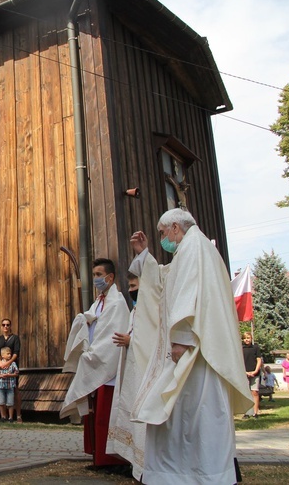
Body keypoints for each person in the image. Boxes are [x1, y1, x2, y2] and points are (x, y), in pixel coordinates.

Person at [129, 208, 253, 485]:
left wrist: (181, 338)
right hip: (197, 349)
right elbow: (165, 279)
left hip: (194, 352)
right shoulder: (194, 248)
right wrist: (145, 256)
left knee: (190, 415)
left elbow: (187, 293)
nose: (163, 239)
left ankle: (197, 475)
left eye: (163, 234)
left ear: (175, 227)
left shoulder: (193, 249)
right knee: (185, 415)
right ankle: (189, 473)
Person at [61, 258, 130, 468]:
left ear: (110, 277)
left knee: (105, 416)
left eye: (99, 275)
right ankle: (96, 455)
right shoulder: (98, 302)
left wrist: (94, 356)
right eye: (94, 275)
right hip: (93, 361)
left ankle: (109, 459)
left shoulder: (117, 303)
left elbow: (112, 336)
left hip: (107, 368)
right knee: (93, 415)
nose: (96, 279)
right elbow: (92, 324)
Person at [106, 272, 152, 481]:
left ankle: (146, 465)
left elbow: (155, 340)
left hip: (145, 374)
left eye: (135, 286)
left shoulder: (152, 309)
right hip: (133, 371)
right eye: (130, 286)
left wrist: (131, 341)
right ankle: (136, 462)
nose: (131, 290)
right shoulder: (135, 311)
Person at [0, 318, 22, 422]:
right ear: (1, 326)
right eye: (3, 325)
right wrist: (0, 363)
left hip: (12, 366)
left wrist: (8, 362)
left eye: (7, 325)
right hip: (1, 367)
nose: (5, 327)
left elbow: (16, 352)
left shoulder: (15, 338)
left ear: (10, 326)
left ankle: (18, 415)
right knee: (2, 390)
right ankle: (3, 416)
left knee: (15, 390)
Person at [242, 332, 263, 418]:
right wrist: (245, 372)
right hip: (244, 373)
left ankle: (255, 412)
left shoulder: (255, 347)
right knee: (246, 393)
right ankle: (247, 412)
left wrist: (255, 371)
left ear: (251, 338)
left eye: (249, 338)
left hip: (255, 373)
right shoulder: (241, 348)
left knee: (254, 392)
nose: (247, 340)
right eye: (245, 338)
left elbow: (259, 360)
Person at [0, 346, 19, 422]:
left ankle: (11, 417)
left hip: (10, 385)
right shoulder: (0, 364)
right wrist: (2, 375)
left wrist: (9, 375)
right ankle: (3, 416)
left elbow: (16, 373)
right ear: (3, 355)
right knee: (1, 402)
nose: (10, 355)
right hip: (1, 386)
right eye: (8, 354)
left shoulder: (13, 364)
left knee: (10, 403)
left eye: (10, 354)